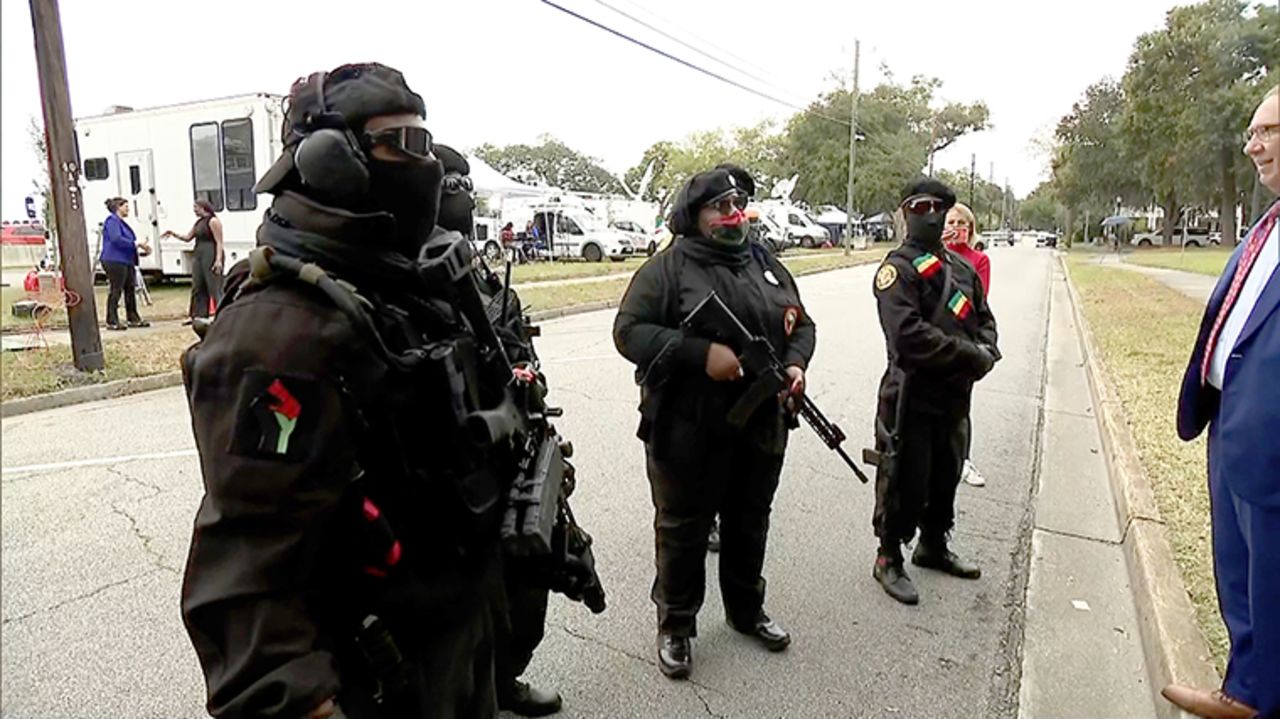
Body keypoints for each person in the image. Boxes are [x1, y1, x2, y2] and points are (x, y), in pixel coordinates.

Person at [181, 63, 506, 719]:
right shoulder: (279, 332)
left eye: (429, 145)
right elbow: (248, 574)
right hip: (375, 671)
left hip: (449, 631)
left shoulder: (400, 286)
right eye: (404, 146)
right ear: (333, 162)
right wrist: (300, 700)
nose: (428, 168)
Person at [614, 165, 813, 680]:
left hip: (760, 422)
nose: (733, 213)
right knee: (683, 527)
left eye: (739, 203)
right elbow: (629, 331)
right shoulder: (669, 268)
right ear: (695, 216)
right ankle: (676, 625)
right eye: (720, 206)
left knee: (750, 520)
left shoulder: (765, 262)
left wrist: (795, 364)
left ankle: (746, 612)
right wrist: (699, 353)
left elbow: (802, 324)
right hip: (688, 425)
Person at [434, 143, 562, 717]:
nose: (463, 191)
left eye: (465, 180)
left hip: (518, 435)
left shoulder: (475, 261)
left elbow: (509, 333)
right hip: (460, 462)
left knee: (530, 575)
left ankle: (507, 676)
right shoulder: (413, 270)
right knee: (466, 605)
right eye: (450, 181)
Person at [1165, 84, 1280, 719]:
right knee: (1241, 577)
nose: (1252, 144)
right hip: (1232, 427)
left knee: (1272, 584)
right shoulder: (1268, 226)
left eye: (1266, 131)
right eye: (1251, 132)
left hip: (1272, 442)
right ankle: (1245, 693)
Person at [870, 178, 999, 606]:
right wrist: (970, 355)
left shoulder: (961, 270)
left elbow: (983, 318)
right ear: (906, 212)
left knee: (947, 470)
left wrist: (988, 349)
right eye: (918, 206)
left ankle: (934, 544)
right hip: (910, 393)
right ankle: (888, 555)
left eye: (936, 207)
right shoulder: (898, 270)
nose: (929, 214)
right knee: (905, 475)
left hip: (954, 394)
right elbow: (908, 336)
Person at [942, 202, 991, 488]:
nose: (956, 229)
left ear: (970, 229)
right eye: (951, 222)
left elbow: (977, 301)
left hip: (964, 340)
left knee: (960, 403)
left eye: (962, 224)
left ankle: (963, 459)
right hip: (934, 341)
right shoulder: (932, 256)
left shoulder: (978, 260)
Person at [163, 199, 225, 318]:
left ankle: (222, 313)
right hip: (199, 253)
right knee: (198, 285)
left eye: (196, 207)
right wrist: (173, 234)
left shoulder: (213, 221)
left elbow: (219, 242)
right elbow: (187, 237)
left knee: (214, 285)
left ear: (203, 207)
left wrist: (218, 260)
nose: (194, 210)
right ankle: (198, 315)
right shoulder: (198, 223)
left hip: (210, 252)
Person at [99, 197, 149, 330]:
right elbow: (116, 239)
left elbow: (126, 243)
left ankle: (133, 317)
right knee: (116, 289)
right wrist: (136, 244)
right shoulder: (112, 221)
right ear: (118, 207)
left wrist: (140, 250)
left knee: (130, 289)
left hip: (126, 260)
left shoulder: (121, 223)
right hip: (114, 260)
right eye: (125, 206)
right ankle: (112, 320)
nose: (128, 209)